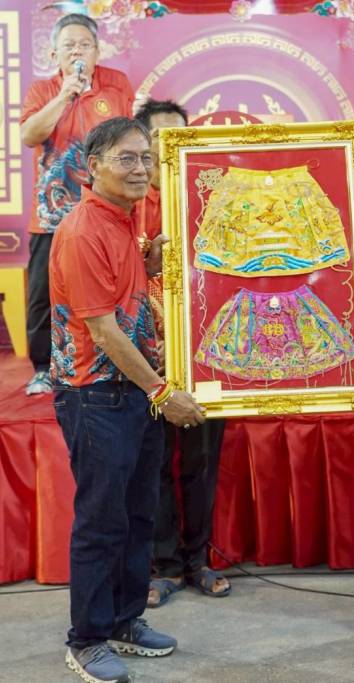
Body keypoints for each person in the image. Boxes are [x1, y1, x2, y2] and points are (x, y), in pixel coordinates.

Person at [51, 116, 206, 683]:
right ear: (94, 166)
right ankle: (87, 639)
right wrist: (163, 391)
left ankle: (124, 620)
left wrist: (146, 264)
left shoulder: (123, 219)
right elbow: (103, 331)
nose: (141, 169)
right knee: (102, 520)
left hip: (134, 393)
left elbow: (118, 293)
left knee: (139, 514)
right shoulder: (82, 230)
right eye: (127, 158)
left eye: (146, 158)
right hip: (97, 394)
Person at [133, 98, 231, 607]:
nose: (170, 148)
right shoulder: (127, 204)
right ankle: (164, 565)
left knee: (202, 460)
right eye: (159, 139)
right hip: (143, 360)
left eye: (180, 137)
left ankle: (198, 560)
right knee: (151, 462)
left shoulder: (213, 198)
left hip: (206, 354)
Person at [21, 13, 134, 395]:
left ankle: (119, 361)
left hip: (108, 214)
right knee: (43, 294)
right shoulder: (43, 90)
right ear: (54, 54)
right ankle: (42, 368)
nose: (77, 51)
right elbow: (29, 135)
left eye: (85, 45)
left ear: (98, 51)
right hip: (52, 216)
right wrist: (65, 94)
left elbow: (130, 139)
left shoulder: (117, 84)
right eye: (69, 45)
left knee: (114, 287)